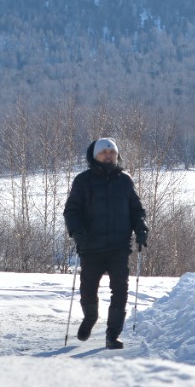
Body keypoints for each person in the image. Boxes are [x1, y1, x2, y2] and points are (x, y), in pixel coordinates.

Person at [63, 136, 148, 349]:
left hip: (119, 246)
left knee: (120, 290)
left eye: (112, 152)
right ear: (95, 156)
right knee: (88, 290)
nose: (108, 155)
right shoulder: (83, 181)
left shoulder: (125, 180)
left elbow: (136, 209)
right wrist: (77, 232)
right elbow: (71, 210)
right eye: (104, 152)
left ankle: (112, 335)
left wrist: (142, 228)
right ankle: (90, 318)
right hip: (91, 246)